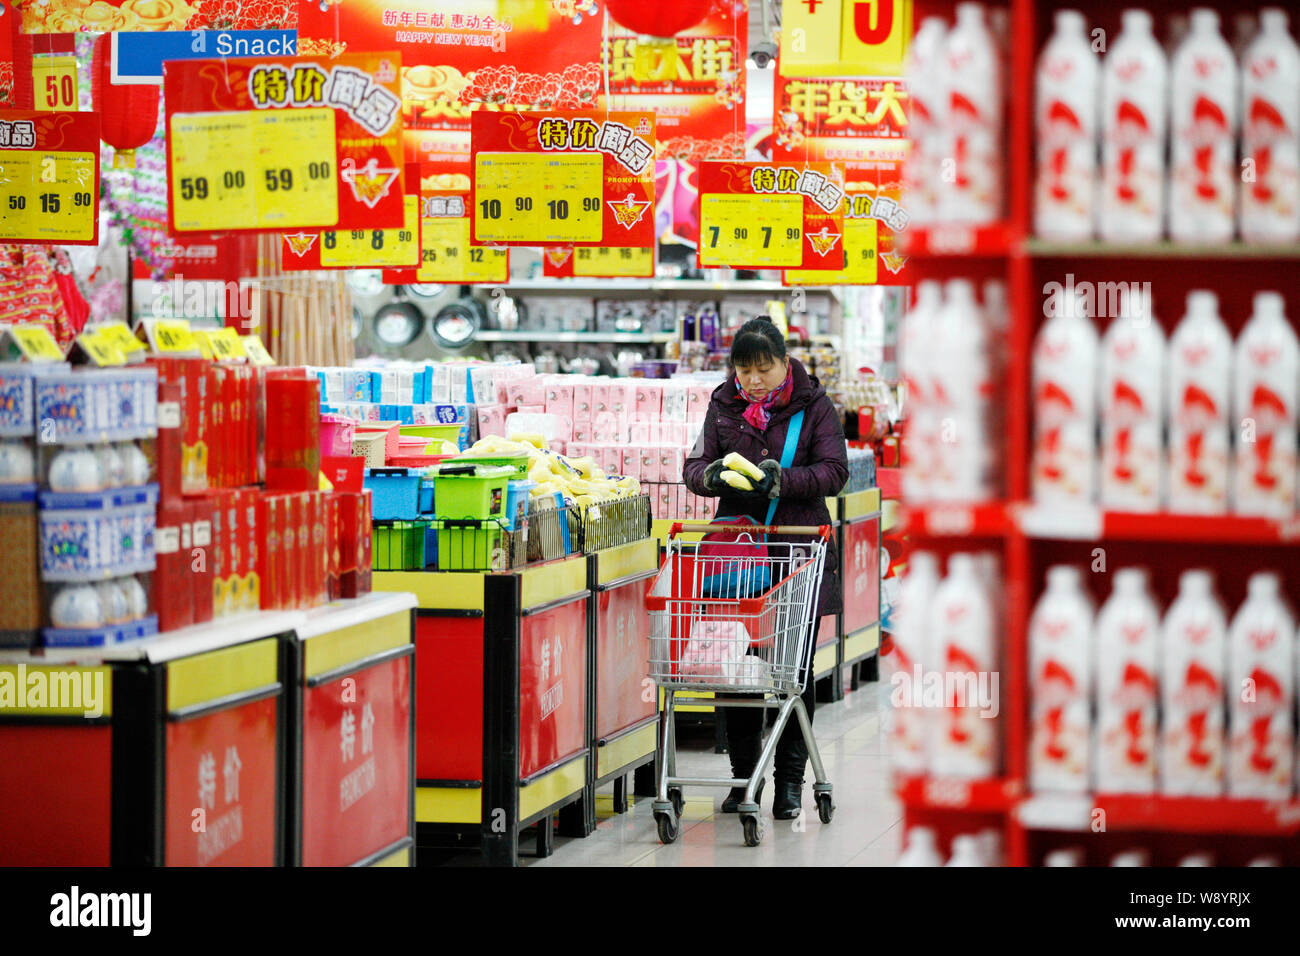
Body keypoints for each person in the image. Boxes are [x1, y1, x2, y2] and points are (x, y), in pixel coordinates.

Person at [683, 316, 848, 819]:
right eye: (744, 370)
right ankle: (741, 778)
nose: (753, 381)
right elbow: (693, 467)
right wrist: (710, 476)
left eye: (764, 369)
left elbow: (835, 471)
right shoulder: (722, 404)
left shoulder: (814, 406)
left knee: (791, 673)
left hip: (796, 552)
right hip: (736, 557)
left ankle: (789, 784)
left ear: (784, 363)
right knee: (734, 669)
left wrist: (785, 481)